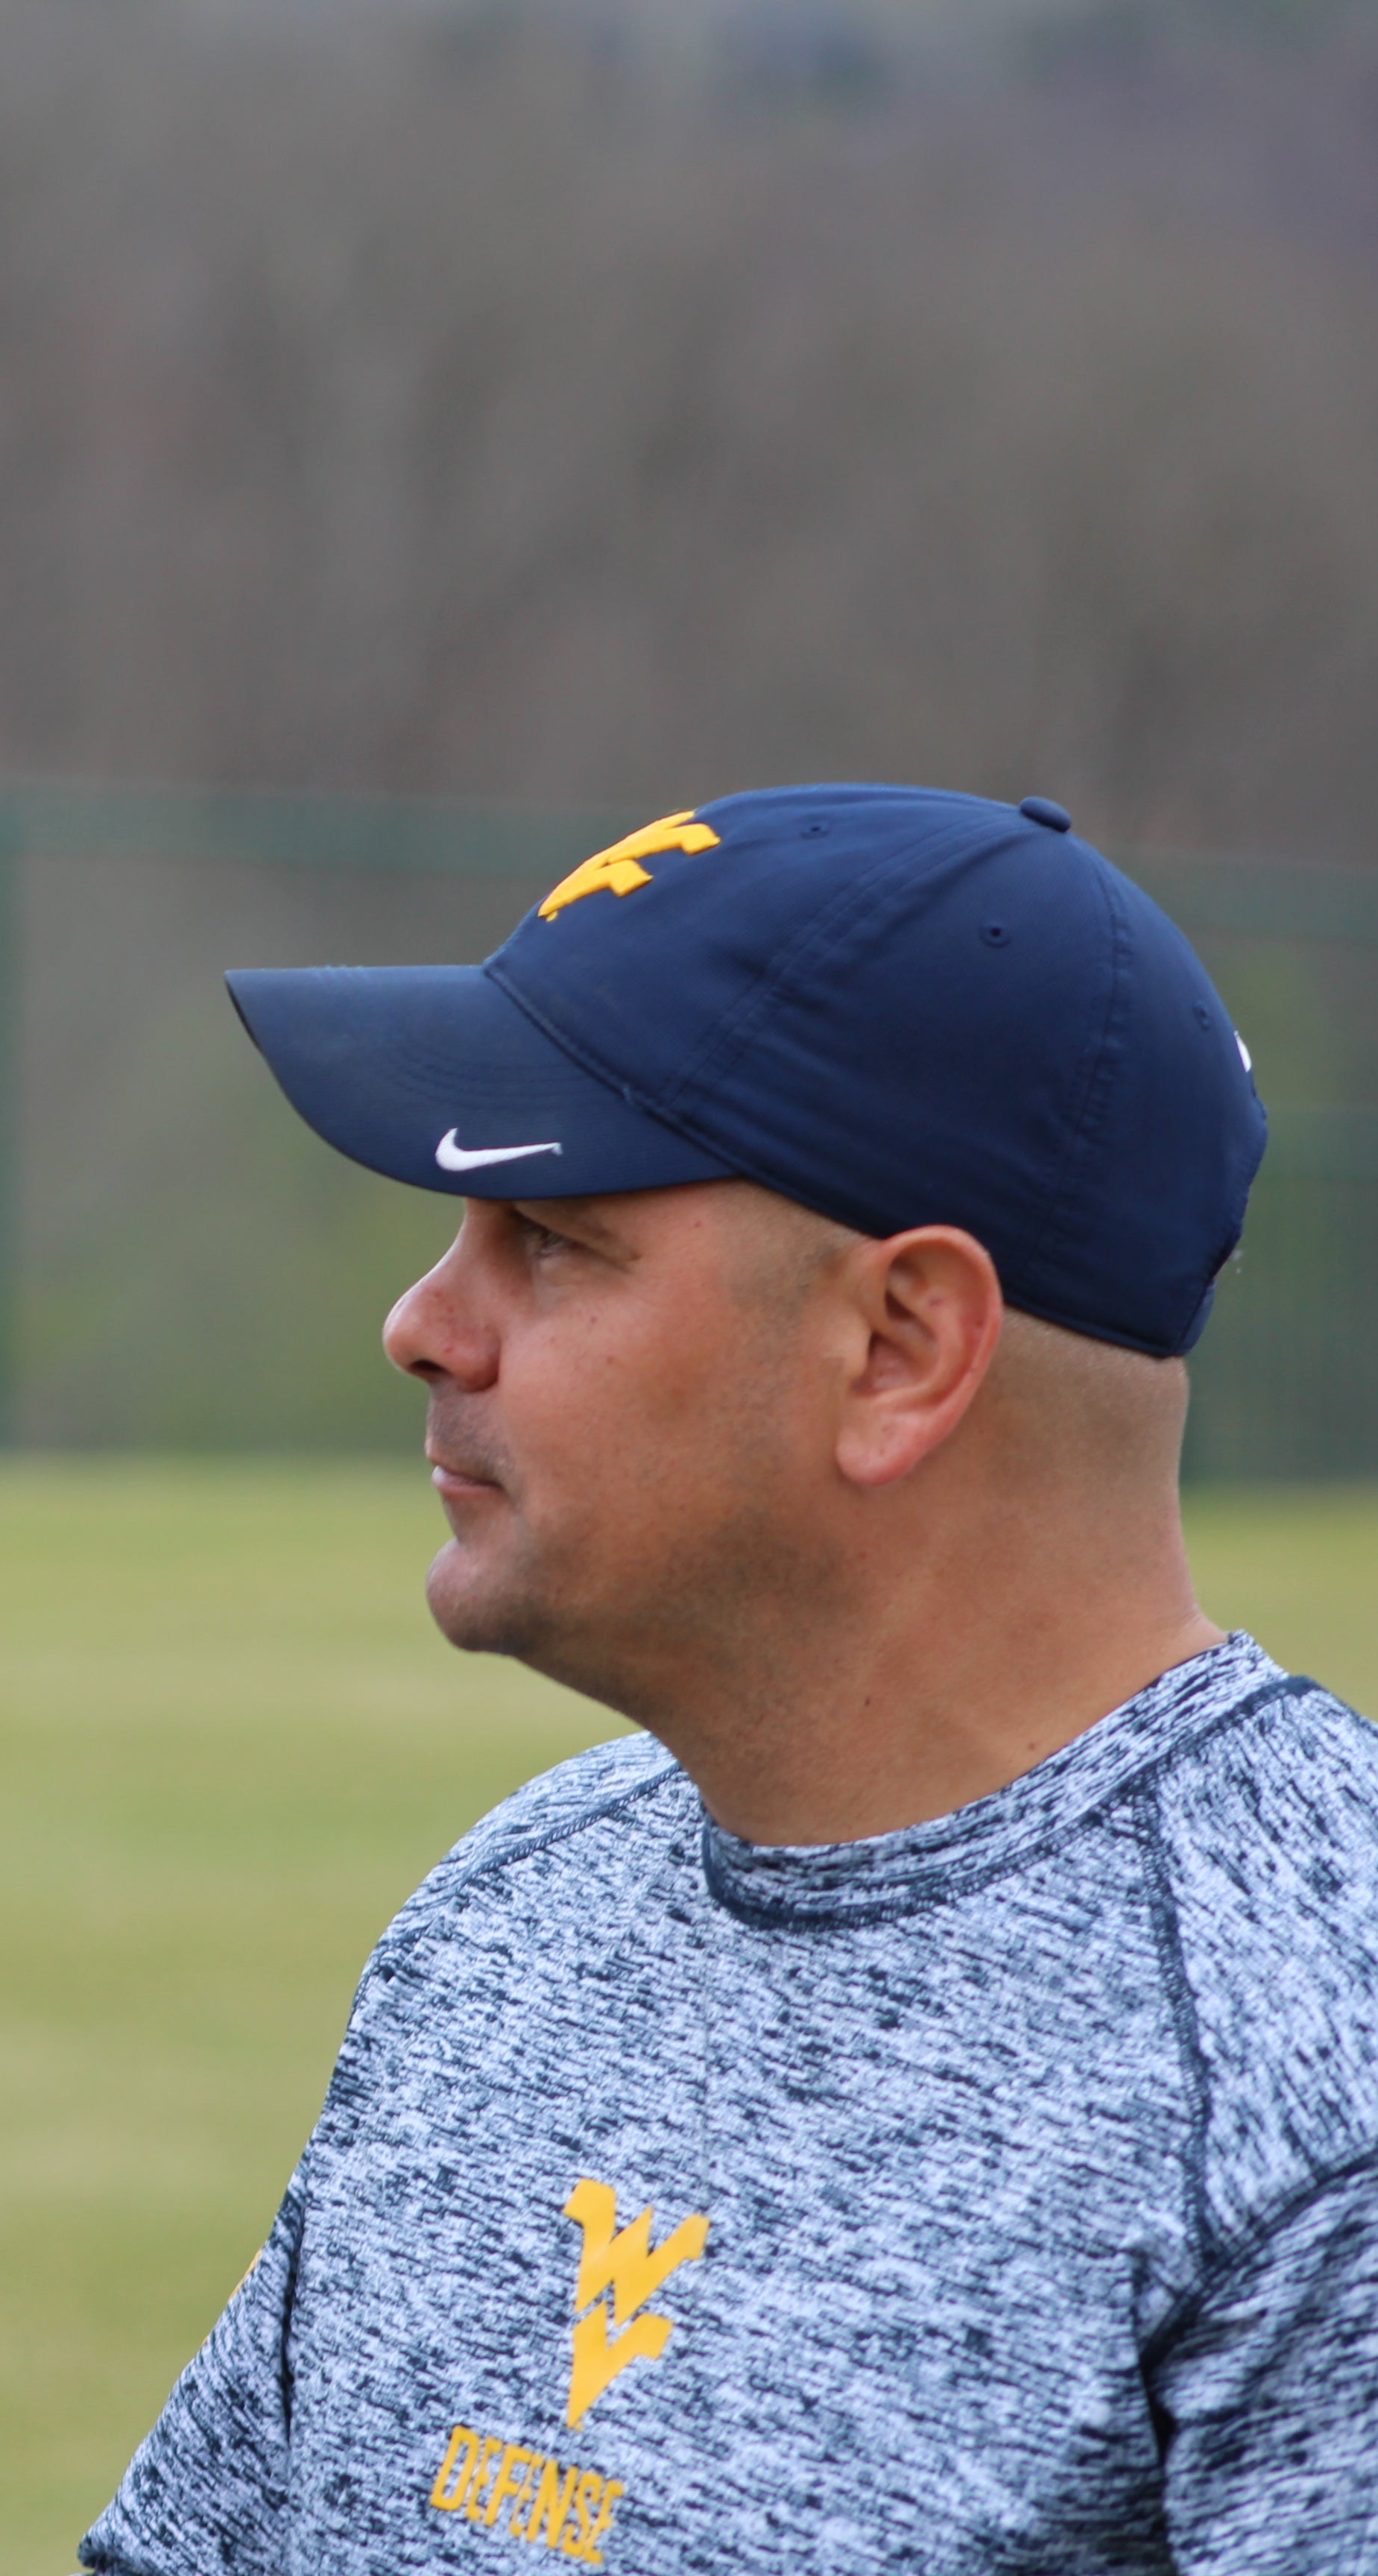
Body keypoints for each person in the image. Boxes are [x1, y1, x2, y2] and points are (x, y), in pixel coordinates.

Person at [75, 784, 1378, 2570]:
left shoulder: (1315, 2079)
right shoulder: (514, 1910)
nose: (424, 1325)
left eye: (550, 1238)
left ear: (901, 1348)